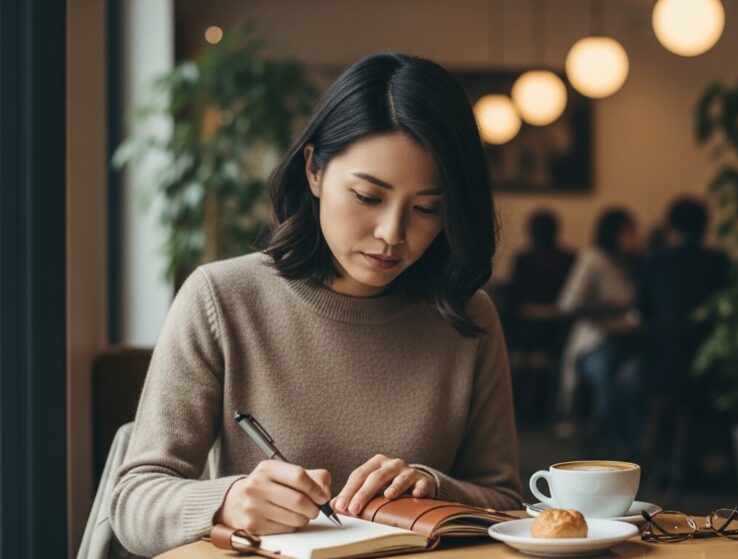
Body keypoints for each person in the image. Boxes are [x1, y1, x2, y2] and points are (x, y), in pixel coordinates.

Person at [109, 52, 522, 557]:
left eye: (427, 208)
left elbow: (505, 500)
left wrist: (432, 488)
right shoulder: (222, 299)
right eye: (368, 197)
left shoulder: (466, 317)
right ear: (314, 172)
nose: (392, 234)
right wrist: (228, 500)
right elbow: (133, 502)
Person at [636, 197, 729, 492]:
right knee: (689, 405)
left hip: (661, 367)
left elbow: (642, 312)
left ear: (670, 226)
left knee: (626, 381)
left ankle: (650, 462)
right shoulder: (719, 262)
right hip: (709, 366)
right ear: (705, 227)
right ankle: (683, 461)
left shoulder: (654, 260)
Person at [555, 208, 642, 454]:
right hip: (596, 340)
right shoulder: (593, 259)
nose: (634, 237)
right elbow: (568, 304)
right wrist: (613, 308)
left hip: (628, 339)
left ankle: (634, 446)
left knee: (631, 379)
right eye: (629, 232)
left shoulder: (630, 262)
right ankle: (610, 445)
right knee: (607, 380)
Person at [503, 210, 575, 423]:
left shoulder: (524, 259)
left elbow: (512, 299)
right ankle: (546, 412)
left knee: (522, 362)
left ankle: (523, 413)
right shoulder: (568, 259)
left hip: (524, 329)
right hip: (556, 330)